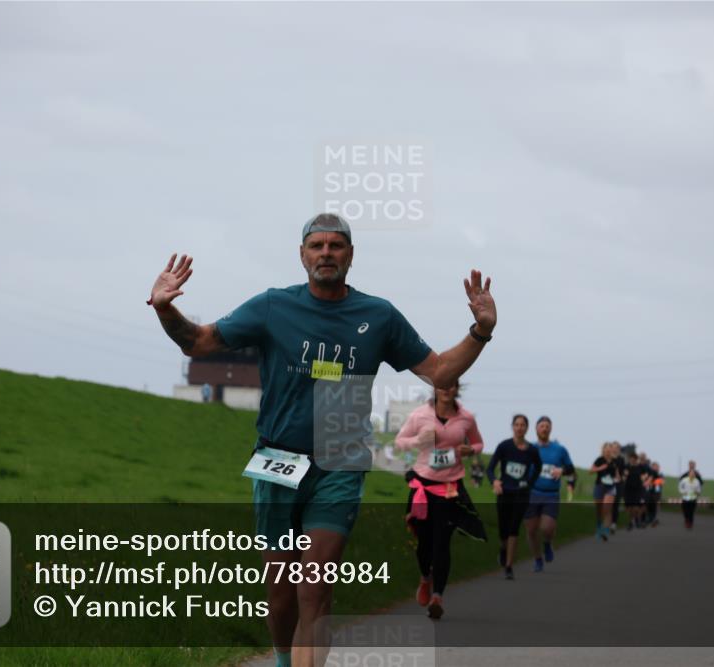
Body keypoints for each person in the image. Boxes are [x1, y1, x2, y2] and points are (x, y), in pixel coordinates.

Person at [148, 213, 498, 667]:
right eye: (317, 246)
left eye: (336, 246)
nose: (327, 253)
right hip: (277, 458)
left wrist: (481, 331)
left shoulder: (379, 316)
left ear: (351, 255)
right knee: (280, 591)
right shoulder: (274, 306)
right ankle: (280, 657)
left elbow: (440, 371)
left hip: (340, 462)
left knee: (315, 587)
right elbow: (198, 343)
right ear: (302, 254)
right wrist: (164, 308)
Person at [394, 379, 487, 619]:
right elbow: (399, 442)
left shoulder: (466, 418)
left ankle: (438, 597)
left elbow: (478, 442)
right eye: (442, 385)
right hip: (423, 487)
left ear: (457, 389)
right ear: (435, 389)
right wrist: (419, 441)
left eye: (452, 385)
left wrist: (471, 450)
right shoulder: (419, 414)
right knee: (424, 542)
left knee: (442, 543)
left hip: (450, 488)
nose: (447, 389)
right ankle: (425, 577)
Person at [486, 414, 542, 579]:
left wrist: (529, 483)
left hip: (521, 494)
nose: (519, 427)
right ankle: (503, 549)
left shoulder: (532, 450)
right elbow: (490, 469)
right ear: (512, 427)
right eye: (516, 424)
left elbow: (538, 468)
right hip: (504, 493)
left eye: (523, 425)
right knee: (503, 529)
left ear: (526, 428)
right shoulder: (504, 446)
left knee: (514, 528)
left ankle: (509, 566)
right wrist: (495, 482)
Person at [523, 416, 575, 572]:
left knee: (546, 528)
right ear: (536, 429)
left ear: (550, 429)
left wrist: (562, 470)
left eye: (547, 426)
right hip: (531, 493)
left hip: (551, 494)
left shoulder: (560, 449)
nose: (544, 428)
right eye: (541, 426)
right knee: (531, 530)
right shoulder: (529, 448)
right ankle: (538, 559)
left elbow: (571, 469)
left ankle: (547, 543)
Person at [590, 442, 618, 541]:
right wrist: (600, 468)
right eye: (606, 449)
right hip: (599, 486)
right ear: (603, 450)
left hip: (610, 487)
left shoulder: (614, 461)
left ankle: (605, 531)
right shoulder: (599, 460)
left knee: (607, 508)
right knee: (599, 510)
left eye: (609, 449)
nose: (608, 451)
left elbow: (617, 475)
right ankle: (599, 526)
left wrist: (617, 479)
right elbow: (591, 471)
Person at [610, 442, 626, 533]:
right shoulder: (608, 459)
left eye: (617, 448)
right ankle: (606, 522)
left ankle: (613, 524)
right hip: (608, 483)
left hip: (618, 484)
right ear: (611, 448)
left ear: (619, 449)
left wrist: (622, 478)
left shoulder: (621, 460)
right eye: (613, 447)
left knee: (615, 504)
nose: (615, 449)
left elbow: (623, 472)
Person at [647, 461, 663, 527]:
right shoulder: (650, 474)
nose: (655, 468)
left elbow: (660, 482)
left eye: (657, 467)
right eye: (654, 466)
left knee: (655, 505)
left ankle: (654, 518)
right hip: (650, 491)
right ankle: (650, 517)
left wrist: (653, 482)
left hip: (657, 492)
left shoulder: (660, 474)